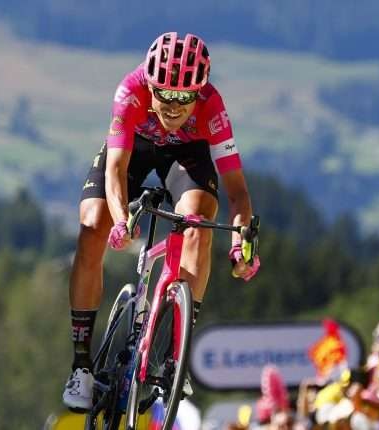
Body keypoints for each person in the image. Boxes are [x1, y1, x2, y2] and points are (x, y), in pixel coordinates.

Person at [62, 31, 261, 410]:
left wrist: (241, 245)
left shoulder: (213, 107)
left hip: (187, 154)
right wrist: (121, 221)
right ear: (149, 84)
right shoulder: (130, 92)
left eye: (184, 98)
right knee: (92, 226)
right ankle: (81, 363)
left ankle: (174, 354)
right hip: (133, 148)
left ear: (198, 92)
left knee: (199, 220)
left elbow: (238, 192)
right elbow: (116, 169)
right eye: (164, 95)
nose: (173, 107)